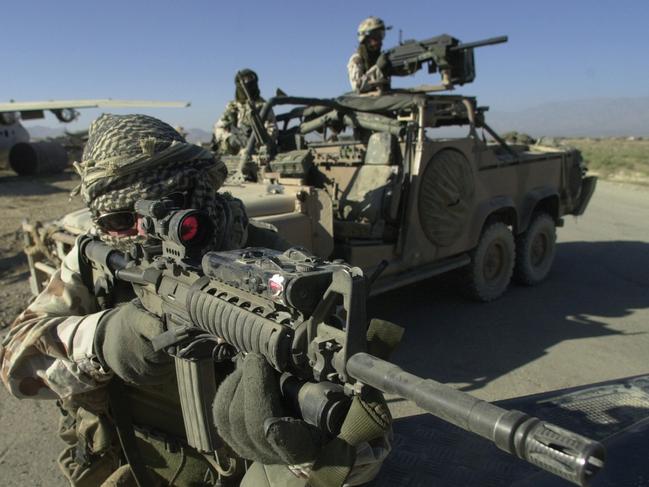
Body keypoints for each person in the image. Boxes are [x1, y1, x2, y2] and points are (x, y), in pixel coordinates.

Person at [0, 114, 390, 487]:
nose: (140, 232)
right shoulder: (97, 259)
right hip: (136, 462)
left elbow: (365, 435)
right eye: (120, 221)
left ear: (196, 192)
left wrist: (307, 448)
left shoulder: (268, 260)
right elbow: (14, 364)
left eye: (161, 211)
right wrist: (102, 340)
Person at [213, 69, 278, 156]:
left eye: (249, 80)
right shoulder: (232, 107)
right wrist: (229, 138)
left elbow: (272, 131)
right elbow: (219, 127)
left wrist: (255, 144)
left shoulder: (263, 106)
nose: (246, 83)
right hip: (234, 152)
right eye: (243, 81)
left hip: (256, 152)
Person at [347, 17, 391, 93]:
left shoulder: (380, 57)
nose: (379, 40)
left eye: (381, 35)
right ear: (365, 38)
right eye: (376, 36)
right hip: (364, 100)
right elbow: (358, 87)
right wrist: (378, 67)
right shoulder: (356, 59)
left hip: (381, 96)